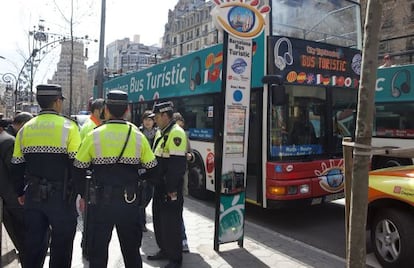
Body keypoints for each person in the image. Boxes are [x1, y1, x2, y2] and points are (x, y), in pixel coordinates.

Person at [73, 90, 159, 268]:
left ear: (106, 109)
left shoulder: (94, 135)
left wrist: (83, 195)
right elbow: (153, 170)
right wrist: (139, 183)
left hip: (100, 203)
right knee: (131, 252)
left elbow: (78, 168)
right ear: (127, 109)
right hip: (129, 202)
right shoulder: (137, 136)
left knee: (98, 252)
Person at [11, 84, 82, 268]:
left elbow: (17, 165)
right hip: (62, 198)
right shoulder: (70, 127)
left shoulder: (25, 129)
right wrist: (79, 193)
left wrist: (20, 192)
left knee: (33, 244)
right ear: (58, 102)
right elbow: (78, 165)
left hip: (33, 196)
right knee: (62, 246)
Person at [147, 101, 187, 268]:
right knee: (159, 221)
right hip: (159, 186)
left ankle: (175, 259)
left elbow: (177, 168)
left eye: (156, 117)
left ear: (165, 115)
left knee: (171, 224)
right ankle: (164, 250)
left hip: (170, 189)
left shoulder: (176, 133)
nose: (154, 120)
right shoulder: (160, 132)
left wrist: (170, 190)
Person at [0, 119, 26, 264]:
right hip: (11, 197)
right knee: (20, 231)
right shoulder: (8, 141)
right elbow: (14, 170)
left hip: (5, 197)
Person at [172, 112, 194, 253]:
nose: (180, 125)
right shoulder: (163, 135)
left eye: (181, 122)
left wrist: (188, 156)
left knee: (177, 211)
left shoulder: (184, 136)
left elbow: (192, 156)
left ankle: (183, 240)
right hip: (167, 181)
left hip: (179, 179)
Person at [137, 110, 158, 232]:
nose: (148, 122)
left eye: (150, 120)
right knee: (142, 196)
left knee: (149, 194)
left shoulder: (157, 134)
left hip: (153, 168)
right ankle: (141, 222)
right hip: (141, 169)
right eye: (146, 119)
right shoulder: (138, 133)